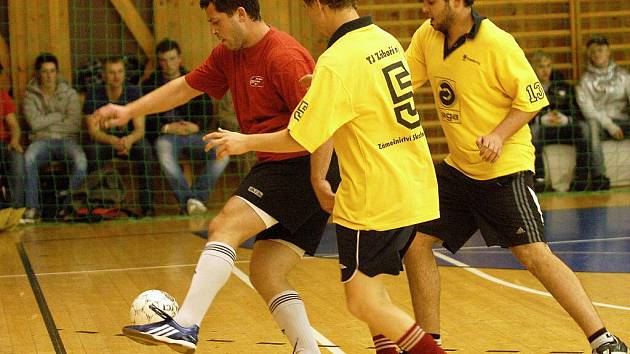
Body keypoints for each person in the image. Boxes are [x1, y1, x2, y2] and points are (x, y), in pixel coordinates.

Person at [94, 1, 340, 353]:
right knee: (266, 271)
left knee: (224, 225)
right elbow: (183, 87)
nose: (213, 29)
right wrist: (129, 110)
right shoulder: (229, 54)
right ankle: (308, 351)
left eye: (216, 21)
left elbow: (319, 129)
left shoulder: (285, 56)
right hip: (281, 165)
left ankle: (186, 325)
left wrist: (314, 178)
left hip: (306, 165)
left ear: (241, 13)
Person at [205, 1, 445, 353]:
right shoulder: (383, 40)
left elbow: (302, 136)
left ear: (317, 5)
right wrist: (326, 85)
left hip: (373, 194)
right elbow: (369, 92)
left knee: (363, 302)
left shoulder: (337, 59)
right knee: (371, 294)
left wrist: (244, 141)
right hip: (415, 181)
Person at [403, 1, 628, 353]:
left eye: (431, 1)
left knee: (534, 255)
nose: (422, 8)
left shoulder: (497, 43)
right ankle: (429, 345)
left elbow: (532, 99)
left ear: (458, 3)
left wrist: (497, 135)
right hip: (460, 167)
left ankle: (604, 340)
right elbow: (398, 86)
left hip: (503, 169)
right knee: (415, 244)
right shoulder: (426, 37)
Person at [142, 38, 229, 215]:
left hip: (194, 134)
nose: (168, 64)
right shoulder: (149, 84)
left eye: (172, 59)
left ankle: (195, 199)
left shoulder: (193, 79)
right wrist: (166, 128)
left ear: (179, 59)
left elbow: (207, 110)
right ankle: (189, 201)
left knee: (223, 151)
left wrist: (196, 126)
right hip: (166, 136)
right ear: (159, 62)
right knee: (163, 149)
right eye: (164, 60)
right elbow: (145, 118)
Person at [84, 56, 156, 217]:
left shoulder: (134, 92)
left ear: (124, 74)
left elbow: (140, 130)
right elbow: (93, 131)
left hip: (129, 140)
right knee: (92, 150)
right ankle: (96, 205)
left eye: (120, 72)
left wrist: (128, 140)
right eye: (111, 72)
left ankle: (148, 206)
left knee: (145, 149)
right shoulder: (94, 94)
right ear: (103, 75)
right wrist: (113, 141)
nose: (116, 76)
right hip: (105, 142)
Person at [22, 53, 87, 223]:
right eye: (45, 71)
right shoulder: (30, 95)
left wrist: (47, 122)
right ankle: (32, 209)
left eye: (52, 71)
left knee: (81, 161)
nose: (49, 75)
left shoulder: (70, 94)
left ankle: (68, 208)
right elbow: (34, 124)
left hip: (68, 140)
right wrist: (59, 116)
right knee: (29, 158)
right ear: (38, 73)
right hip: (41, 141)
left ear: (57, 72)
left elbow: (74, 124)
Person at [528, 50, 601, 192]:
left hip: (564, 128)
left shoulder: (563, 85)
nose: (545, 71)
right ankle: (539, 178)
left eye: (548, 66)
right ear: (534, 67)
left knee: (584, 129)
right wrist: (539, 119)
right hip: (543, 130)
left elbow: (576, 111)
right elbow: (521, 113)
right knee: (534, 131)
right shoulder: (528, 86)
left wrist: (566, 119)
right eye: (541, 66)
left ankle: (582, 177)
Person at [576, 35, 630, 190]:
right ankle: (600, 176)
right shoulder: (584, 81)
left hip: (624, 121)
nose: (597, 54)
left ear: (608, 52)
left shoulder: (623, 76)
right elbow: (589, 111)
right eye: (593, 52)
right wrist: (610, 125)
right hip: (601, 126)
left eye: (600, 50)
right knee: (589, 126)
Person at [0, 63, 25, 209]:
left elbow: (14, 125)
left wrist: (15, 141)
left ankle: (15, 210)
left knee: (17, 159)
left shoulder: (3, 96)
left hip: (3, 145)